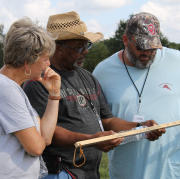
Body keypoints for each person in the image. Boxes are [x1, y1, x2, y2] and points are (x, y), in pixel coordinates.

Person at [23, 11, 165, 179]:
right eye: (79, 47)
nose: (86, 52)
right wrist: (91, 139)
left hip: (88, 173)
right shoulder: (39, 82)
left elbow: (108, 121)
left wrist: (140, 128)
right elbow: (46, 132)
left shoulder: (88, 78)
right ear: (58, 48)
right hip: (59, 172)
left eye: (87, 46)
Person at [93, 12, 180, 179]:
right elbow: (98, 121)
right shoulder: (102, 72)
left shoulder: (177, 61)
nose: (147, 52)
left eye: (152, 47)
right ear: (126, 40)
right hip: (125, 173)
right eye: (141, 46)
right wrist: (139, 128)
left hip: (172, 171)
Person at [0, 17, 61, 179]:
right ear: (27, 62)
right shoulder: (6, 89)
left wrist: (54, 94)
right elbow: (36, 148)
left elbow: (45, 138)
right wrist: (38, 139)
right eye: (45, 58)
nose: (48, 64)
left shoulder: (13, 88)